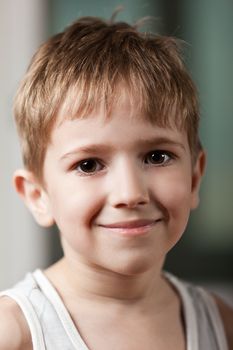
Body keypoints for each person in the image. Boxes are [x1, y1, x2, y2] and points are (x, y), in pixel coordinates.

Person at [0, 14, 232, 350]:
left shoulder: (220, 325)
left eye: (157, 157)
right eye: (89, 164)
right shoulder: (14, 332)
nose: (130, 193)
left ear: (195, 178)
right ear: (38, 195)